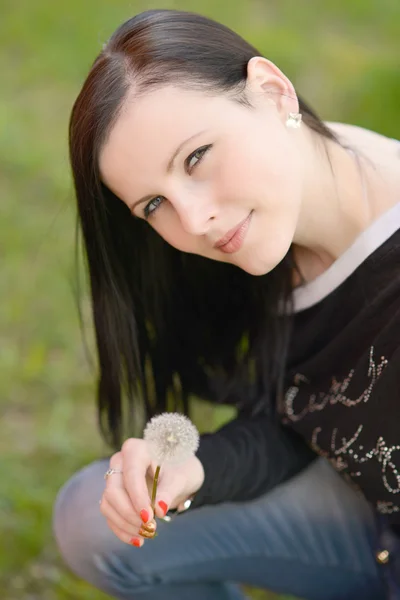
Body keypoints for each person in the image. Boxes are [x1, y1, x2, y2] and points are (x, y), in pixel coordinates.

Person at [53, 9, 400, 600]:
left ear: (271, 92)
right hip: (369, 514)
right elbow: (302, 416)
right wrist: (198, 470)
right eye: (153, 205)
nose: (193, 220)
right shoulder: (256, 242)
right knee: (92, 518)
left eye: (195, 157)